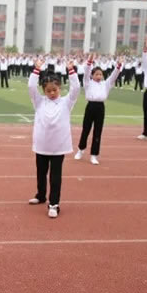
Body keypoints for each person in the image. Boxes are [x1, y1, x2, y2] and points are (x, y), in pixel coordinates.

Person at [27, 58, 80, 218]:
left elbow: (76, 88)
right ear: (43, 90)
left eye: (54, 90)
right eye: (48, 90)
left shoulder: (66, 102)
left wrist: (71, 71)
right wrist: (36, 70)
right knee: (41, 172)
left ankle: (54, 203)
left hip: (58, 146)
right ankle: (41, 195)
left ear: (59, 88)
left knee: (55, 176)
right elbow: (31, 86)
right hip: (42, 144)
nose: (51, 93)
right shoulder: (39, 101)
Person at [75, 54, 121, 165]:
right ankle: (81, 150)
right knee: (86, 129)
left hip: (100, 108)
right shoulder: (88, 83)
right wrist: (89, 61)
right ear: (92, 75)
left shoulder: (106, 84)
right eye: (96, 74)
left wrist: (119, 65)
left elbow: (114, 75)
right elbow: (86, 73)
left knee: (97, 131)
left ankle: (94, 155)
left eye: (100, 74)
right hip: (90, 107)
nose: (99, 76)